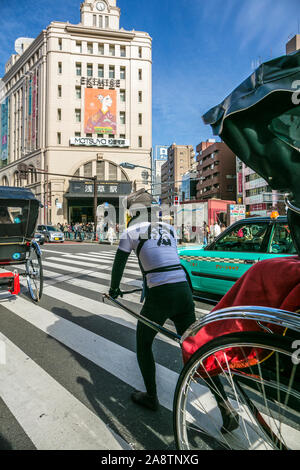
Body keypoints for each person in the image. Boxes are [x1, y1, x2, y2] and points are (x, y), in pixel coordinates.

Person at [109, 189, 196, 411]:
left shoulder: (131, 231)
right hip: (183, 288)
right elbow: (159, 260)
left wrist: (114, 288)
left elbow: (119, 264)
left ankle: (151, 396)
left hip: (161, 294)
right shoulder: (169, 229)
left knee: (143, 343)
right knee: (194, 348)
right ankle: (225, 406)